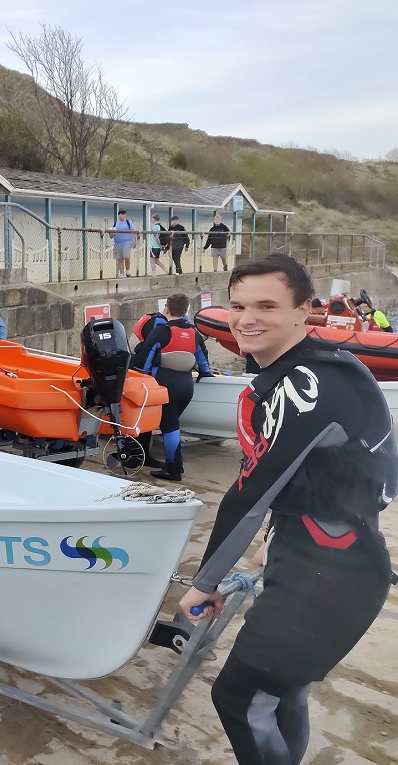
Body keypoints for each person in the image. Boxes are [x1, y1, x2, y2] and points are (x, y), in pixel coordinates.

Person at [178, 254, 396, 765]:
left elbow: (250, 492)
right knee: (279, 696)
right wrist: (278, 541)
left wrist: (204, 583)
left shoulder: (307, 384)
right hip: (322, 557)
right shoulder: (311, 369)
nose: (246, 318)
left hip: (328, 574)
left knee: (239, 698)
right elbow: (355, 479)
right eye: (237, 305)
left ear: (305, 311)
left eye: (266, 305)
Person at [130, 293, 213, 480]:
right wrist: (207, 374)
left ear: (166, 308)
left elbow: (143, 363)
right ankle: (174, 466)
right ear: (186, 310)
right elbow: (203, 361)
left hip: (165, 386)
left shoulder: (161, 331)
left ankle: (174, 469)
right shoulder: (194, 333)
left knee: (170, 427)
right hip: (186, 387)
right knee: (172, 424)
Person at [107, 209, 138, 278]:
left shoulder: (128, 222)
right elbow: (112, 234)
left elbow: (134, 232)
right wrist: (111, 234)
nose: (124, 216)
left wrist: (134, 241)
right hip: (118, 243)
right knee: (120, 259)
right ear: (119, 215)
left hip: (127, 242)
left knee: (126, 256)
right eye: (122, 214)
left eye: (124, 214)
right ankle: (121, 274)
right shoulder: (115, 224)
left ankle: (128, 272)